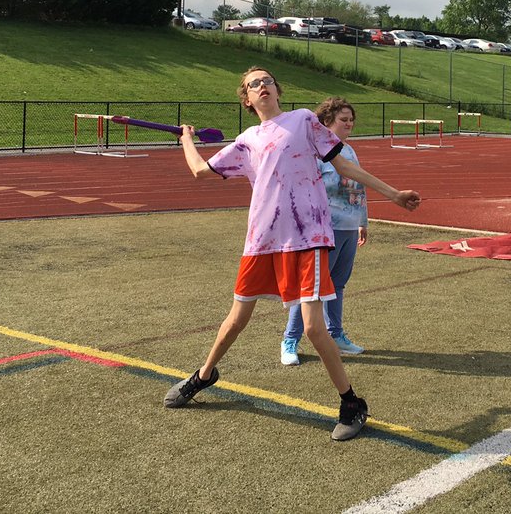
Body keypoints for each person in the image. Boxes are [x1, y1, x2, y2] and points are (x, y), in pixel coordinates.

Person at [162, 67, 421, 441]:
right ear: (247, 100)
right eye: (254, 84)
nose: (262, 86)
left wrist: (393, 194)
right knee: (235, 320)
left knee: (315, 327)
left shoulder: (303, 121)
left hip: (307, 238)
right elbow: (200, 170)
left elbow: (343, 164)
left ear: (277, 90)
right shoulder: (247, 140)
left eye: (267, 81)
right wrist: (186, 138)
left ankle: (351, 403)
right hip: (262, 241)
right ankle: (204, 375)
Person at [280, 97, 368, 366]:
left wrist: (363, 221)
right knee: (311, 290)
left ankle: (336, 334)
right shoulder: (316, 153)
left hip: (348, 228)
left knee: (338, 285)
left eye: (351, 119)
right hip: (324, 231)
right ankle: (290, 339)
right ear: (327, 122)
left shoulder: (350, 151)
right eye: (344, 119)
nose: (349, 124)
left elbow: (358, 189)